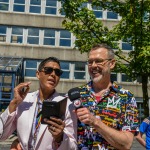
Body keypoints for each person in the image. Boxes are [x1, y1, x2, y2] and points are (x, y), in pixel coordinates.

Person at [0, 57, 77, 150]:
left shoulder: (67, 105)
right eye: (48, 70)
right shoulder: (24, 100)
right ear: (38, 74)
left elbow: (73, 146)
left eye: (57, 72)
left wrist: (60, 138)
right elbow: (2, 135)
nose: (53, 74)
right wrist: (14, 103)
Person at [73, 43, 139, 150]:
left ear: (112, 64)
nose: (93, 65)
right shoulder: (75, 95)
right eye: (90, 62)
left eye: (98, 61)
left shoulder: (126, 97)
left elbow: (126, 144)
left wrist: (95, 122)